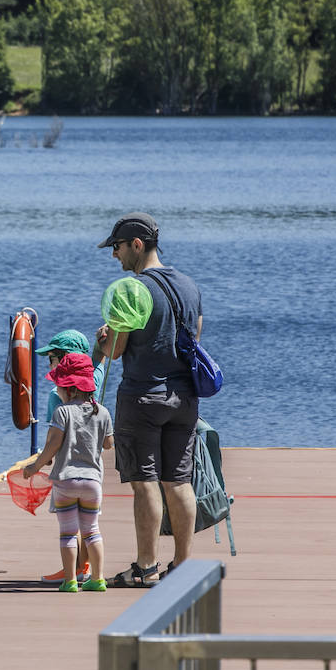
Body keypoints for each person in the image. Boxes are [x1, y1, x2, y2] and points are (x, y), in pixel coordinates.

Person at [94, 212, 203, 587]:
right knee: (178, 481)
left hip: (142, 395)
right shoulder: (188, 285)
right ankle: (184, 564)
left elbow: (117, 349)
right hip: (185, 397)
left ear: (137, 245)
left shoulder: (132, 289)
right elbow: (196, 339)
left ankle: (145, 566)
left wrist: (103, 340)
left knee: (145, 482)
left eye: (118, 248)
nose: (115, 257)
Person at [21, 353, 113, 592]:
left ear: (70, 389)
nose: (57, 390)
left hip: (66, 481)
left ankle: (70, 580)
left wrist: (35, 467)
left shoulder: (62, 412)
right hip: (93, 481)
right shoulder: (102, 412)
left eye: (59, 386)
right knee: (92, 530)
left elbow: (53, 444)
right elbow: (108, 444)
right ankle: (98, 579)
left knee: (68, 533)